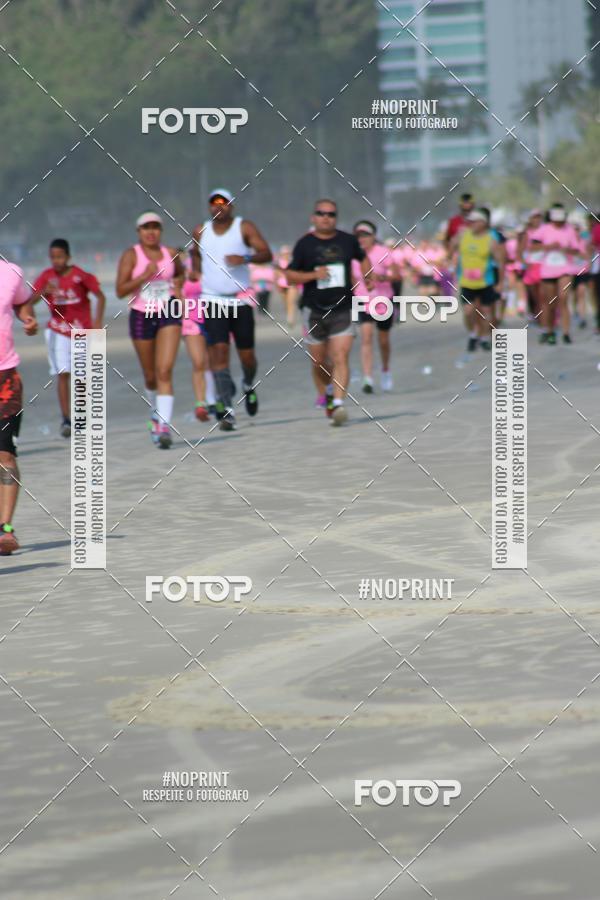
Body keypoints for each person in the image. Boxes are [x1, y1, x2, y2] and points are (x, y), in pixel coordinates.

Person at [190, 189, 272, 432]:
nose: (218, 207)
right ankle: (226, 408)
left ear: (231, 206)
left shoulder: (243, 227)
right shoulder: (200, 230)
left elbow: (266, 253)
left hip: (241, 300)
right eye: (214, 204)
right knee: (219, 352)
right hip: (212, 299)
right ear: (209, 208)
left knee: (246, 355)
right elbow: (195, 253)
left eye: (223, 203)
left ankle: (247, 383)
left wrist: (245, 258)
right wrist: (195, 270)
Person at [286, 198, 372, 425]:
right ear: (313, 217)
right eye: (321, 213)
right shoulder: (304, 244)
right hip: (313, 309)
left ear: (336, 217)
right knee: (319, 362)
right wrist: (314, 275)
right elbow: (290, 276)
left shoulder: (348, 241)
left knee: (340, 356)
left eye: (331, 214)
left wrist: (368, 276)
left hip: (343, 307)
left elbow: (364, 259)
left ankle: (339, 404)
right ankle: (325, 392)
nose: (326, 217)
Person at [116, 212, 184, 448]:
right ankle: (155, 413)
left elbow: (181, 273)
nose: (151, 231)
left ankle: (163, 425)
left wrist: (180, 289)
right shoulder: (131, 255)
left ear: (161, 230)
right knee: (151, 375)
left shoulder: (171, 253)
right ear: (139, 232)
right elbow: (120, 289)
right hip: (141, 314)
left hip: (169, 311)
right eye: (146, 227)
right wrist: (144, 276)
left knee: (165, 371)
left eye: (155, 227)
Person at [30, 239, 105, 438]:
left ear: (68, 257)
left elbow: (101, 296)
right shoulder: (46, 277)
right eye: (53, 257)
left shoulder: (80, 276)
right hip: (57, 332)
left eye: (60, 257)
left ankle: (80, 416)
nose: (56, 261)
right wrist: (43, 292)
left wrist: (97, 322)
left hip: (81, 331)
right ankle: (66, 419)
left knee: (81, 376)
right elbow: (30, 300)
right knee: (63, 373)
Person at [0, 260, 37, 554]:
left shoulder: (11, 272)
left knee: (5, 456)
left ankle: (6, 529)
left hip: (5, 379)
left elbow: (22, 303)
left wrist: (28, 319)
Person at [351, 220, 397, 393]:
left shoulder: (383, 252)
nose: (361, 239)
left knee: (383, 339)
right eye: (358, 235)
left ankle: (385, 370)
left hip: (383, 299)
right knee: (366, 336)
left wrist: (382, 278)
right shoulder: (352, 255)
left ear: (373, 236)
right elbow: (351, 277)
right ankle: (368, 377)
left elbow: (397, 274)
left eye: (365, 235)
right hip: (362, 299)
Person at [451, 209, 505, 351]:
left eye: (475, 221)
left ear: (483, 223)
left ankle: (485, 338)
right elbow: (451, 248)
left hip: (485, 282)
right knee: (469, 312)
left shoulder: (490, 240)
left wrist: (500, 283)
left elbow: (500, 262)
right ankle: (474, 333)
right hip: (467, 282)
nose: (471, 224)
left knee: (486, 312)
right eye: (470, 221)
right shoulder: (463, 235)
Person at [536, 204, 579, 345]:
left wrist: (567, 250)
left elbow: (577, 250)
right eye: (556, 220)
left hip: (565, 269)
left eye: (561, 220)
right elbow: (531, 247)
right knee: (550, 303)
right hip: (548, 270)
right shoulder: (544, 229)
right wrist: (548, 247)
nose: (559, 223)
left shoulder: (570, 230)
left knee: (563, 299)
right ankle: (550, 331)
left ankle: (566, 332)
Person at [275, 245, 299, 326]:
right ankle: (289, 314)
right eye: (284, 253)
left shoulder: (293, 262)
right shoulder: (279, 262)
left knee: (291, 302)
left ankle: (290, 318)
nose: (286, 255)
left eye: (287, 253)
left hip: (292, 285)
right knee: (285, 302)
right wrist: (277, 286)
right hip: (281, 284)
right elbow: (276, 275)